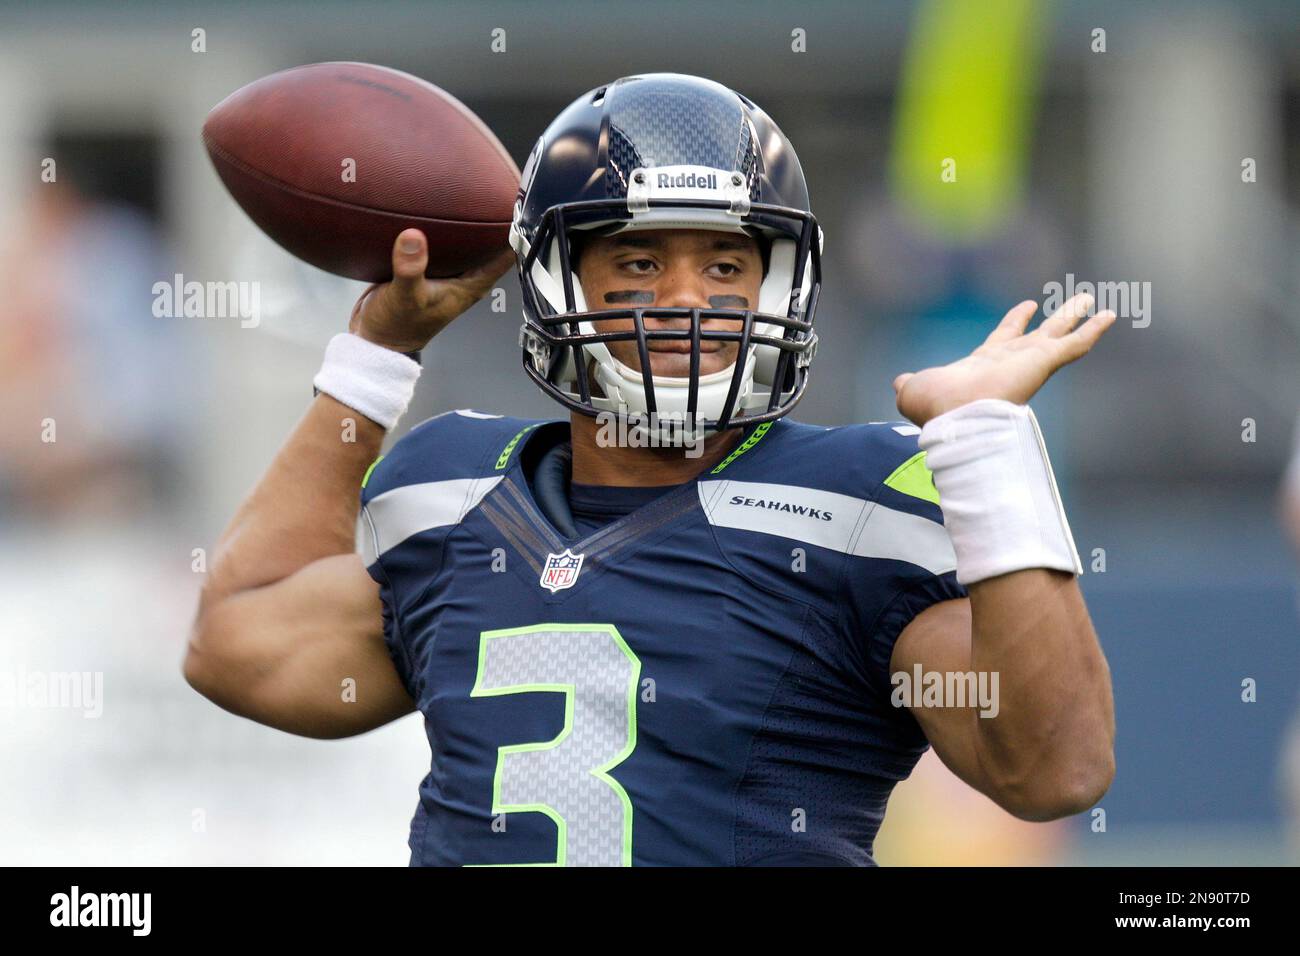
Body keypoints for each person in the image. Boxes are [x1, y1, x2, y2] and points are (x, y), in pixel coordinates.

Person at [184, 73, 1115, 866]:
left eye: (724, 266)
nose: (684, 300)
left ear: (777, 286)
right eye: (636, 260)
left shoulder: (855, 507)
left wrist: (985, 442)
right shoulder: (452, 490)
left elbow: (1054, 770)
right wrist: (371, 364)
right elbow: (238, 642)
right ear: (556, 281)